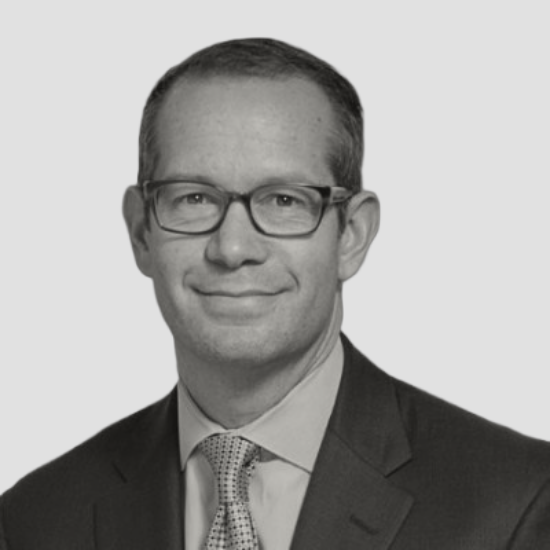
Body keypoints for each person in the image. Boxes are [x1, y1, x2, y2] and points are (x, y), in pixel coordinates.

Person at [1, 37, 549, 550]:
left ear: (352, 235)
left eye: (284, 200)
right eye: (193, 198)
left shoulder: (518, 504)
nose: (233, 247)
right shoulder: (33, 521)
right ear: (142, 232)